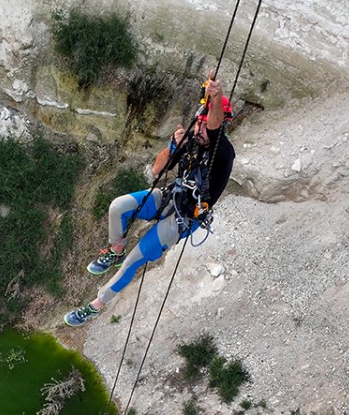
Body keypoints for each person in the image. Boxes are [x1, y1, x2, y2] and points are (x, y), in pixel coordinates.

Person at [64, 76, 236, 327]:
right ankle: (115, 250)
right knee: (118, 206)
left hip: (184, 218)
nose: (198, 130)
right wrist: (174, 146)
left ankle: (95, 306)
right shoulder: (193, 142)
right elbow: (158, 169)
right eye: (197, 125)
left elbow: (214, 126)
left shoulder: (223, 152)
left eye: (202, 126)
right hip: (170, 196)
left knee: (134, 261)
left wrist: (216, 95)